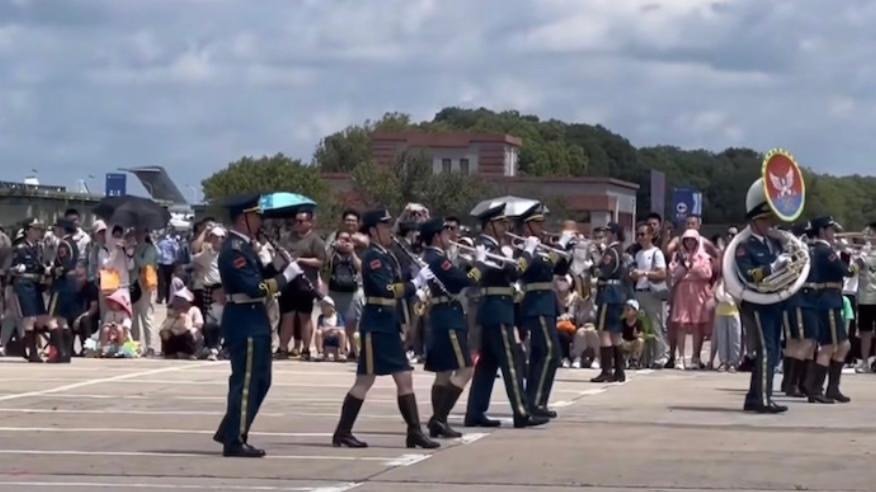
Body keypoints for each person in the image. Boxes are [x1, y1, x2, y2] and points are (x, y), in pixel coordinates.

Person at [331, 208, 438, 449]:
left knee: (388, 379)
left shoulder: (387, 255)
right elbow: (385, 290)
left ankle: (411, 432)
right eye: (385, 226)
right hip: (377, 323)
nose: (389, 230)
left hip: (387, 321)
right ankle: (346, 431)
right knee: (376, 380)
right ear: (373, 231)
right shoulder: (373, 257)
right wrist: (415, 284)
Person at [213, 194, 304, 458]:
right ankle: (235, 439)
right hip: (244, 318)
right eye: (257, 216)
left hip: (254, 318)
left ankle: (230, 429)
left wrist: (275, 263)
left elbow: (261, 276)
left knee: (262, 380)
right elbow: (254, 288)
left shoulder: (247, 247)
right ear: (244, 218)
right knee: (247, 381)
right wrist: (285, 277)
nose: (260, 221)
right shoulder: (233, 249)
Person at [464, 204, 548, 428]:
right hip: (496, 310)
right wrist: (528, 252)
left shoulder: (496, 246)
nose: (506, 227)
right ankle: (521, 412)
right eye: (501, 223)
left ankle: (475, 411)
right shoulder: (485, 246)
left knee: (487, 365)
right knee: (511, 363)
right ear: (489, 225)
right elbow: (514, 271)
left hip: (498, 308)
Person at [419, 218, 484, 438]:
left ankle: (438, 420)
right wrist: (478, 265)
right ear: (437, 236)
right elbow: (461, 281)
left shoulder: (433, 257)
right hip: (448, 316)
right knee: (465, 369)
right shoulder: (437, 259)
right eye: (447, 233)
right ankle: (439, 418)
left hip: (440, 315)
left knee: (444, 373)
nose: (451, 237)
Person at [734, 178, 789, 414]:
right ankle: (763, 399)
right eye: (767, 220)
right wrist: (773, 267)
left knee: (773, 350)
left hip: (773, 302)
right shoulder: (745, 246)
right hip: (757, 302)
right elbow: (749, 274)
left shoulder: (772, 244)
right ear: (756, 221)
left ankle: (755, 396)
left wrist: (786, 250)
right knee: (767, 350)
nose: (771, 224)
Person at [517, 204, 570, 419]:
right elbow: (543, 266)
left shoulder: (540, 245)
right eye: (537, 223)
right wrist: (559, 246)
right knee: (550, 352)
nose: (542, 227)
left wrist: (565, 250)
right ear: (527, 225)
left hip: (546, 303)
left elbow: (559, 270)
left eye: (542, 222)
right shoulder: (523, 246)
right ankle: (535, 401)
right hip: (535, 303)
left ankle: (538, 401)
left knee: (543, 353)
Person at [806, 216, 853, 404]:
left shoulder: (823, 250)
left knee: (843, 345)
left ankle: (832, 388)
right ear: (822, 231)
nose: (834, 233)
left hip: (830, 299)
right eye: (831, 230)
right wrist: (851, 258)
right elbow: (846, 271)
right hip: (827, 300)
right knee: (829, 346)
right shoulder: (824, 251)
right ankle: (816, 389)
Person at [277, 208, 326, 360]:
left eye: (301, 221)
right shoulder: (286, 238)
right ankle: (283, 348)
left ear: (310, 222)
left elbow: (321, 261)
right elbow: (279, 255)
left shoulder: (316, 240)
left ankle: (305, 349)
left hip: (305, 283)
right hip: (288, 282)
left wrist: (301, 260)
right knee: (287, 316)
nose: (297, 224)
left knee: (304, 317)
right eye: (295, 220)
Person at [590, 223, 630, 383]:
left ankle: (607, 370)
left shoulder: (611, 250)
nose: (605, 235)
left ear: (613, 233)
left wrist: (592, 267)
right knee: (615, 333)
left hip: (609, 294)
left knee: (604, 331)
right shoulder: (619, 249)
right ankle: (619, 371)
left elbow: (604, 271)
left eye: (607, 232)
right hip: (618, 293)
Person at [669, 229, 714, 370]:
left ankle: (696, 357)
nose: (689, 242)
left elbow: (707, 273)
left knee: (697, 325)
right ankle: (680, 357)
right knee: (681, 324)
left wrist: (692, 267)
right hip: (683, 291)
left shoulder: (703, 256)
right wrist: (683, 267)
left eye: (692, 240)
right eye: (686, 240)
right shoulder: (678, 256)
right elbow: (673, 273)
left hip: (698, 291)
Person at [630, 222, 669, 368]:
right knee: (642, 327)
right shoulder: (638, 254)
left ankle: (661, 357)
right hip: (638, 292)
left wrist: (645, 273)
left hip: (651, 293)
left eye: (643, 234)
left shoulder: (656, 253)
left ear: (651, 235)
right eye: (638, 234)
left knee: (655, 325)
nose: (640, 237)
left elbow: (662, 273)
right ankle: (645, 357)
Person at [10, 218, 49, 363]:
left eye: (39, 229)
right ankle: (32, 351)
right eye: (35, 229)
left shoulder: (39, 247)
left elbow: (40, 264)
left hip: (37, 283)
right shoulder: (19, 248)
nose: (38, 232)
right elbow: (10, 268)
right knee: (29, 318)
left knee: (40, 318)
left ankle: (24, 346)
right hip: (24, 283)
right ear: (27, 231)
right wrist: (18, 268)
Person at [46, 219, 81, 363]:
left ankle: (60, 352)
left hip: (61, 285)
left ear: (62, 229)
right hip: (70, 285)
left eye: (57, 228)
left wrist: (50, 270)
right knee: (63, 320)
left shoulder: (64, 244)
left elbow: (63, 266)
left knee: (52, 318)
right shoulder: (74, 244)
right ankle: (66, 353)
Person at [131, 228, 158, 356]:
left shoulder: (150, 248)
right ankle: (136, 345)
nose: (137, 234)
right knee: (133, 317)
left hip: (145, 286)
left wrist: (134, 253)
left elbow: (144, 263)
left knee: (146, 316)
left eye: (140, 231)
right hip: (133, 285)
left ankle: (150, 346)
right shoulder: (132, 247)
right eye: (136, 231)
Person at [160, 287, 204, 359]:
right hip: (175, 334)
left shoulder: (194, 310)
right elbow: (165, 326)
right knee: (165, 332)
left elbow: (199, 324)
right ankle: (170, 352)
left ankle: (189, 353)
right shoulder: (173, 312)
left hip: (189, 334)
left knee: (188, 334)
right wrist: (174, 318)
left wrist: (188, 321)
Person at [855, 224, 876, 373]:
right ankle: (864, 362)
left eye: (870, 233)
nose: (867, 237)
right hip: (865, 297)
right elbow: (854, 268)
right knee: (865, 332)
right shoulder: (863, 252)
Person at [99, 289, 135, 358]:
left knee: (119, 329)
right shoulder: (109, 313)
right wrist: (109, 325)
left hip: (122, 332)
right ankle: (104, 350)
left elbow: (126, 324)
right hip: (111, 331)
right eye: (112, 302)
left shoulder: (124, 313)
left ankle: (121, 349)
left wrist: (120, 326)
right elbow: (106, 322)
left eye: (115, 302)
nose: (113, 304)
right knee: (105, 329)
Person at [315, 297, 346, 362]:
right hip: (325, 338)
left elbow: (342, 327)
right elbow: (319, 328)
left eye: (324, 306)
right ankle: (320, 353)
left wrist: (331, 329)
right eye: (321, 306)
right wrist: (328, 330)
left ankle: (342, 353)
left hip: (335, 338)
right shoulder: (321, 317)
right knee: (318, 332)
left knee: (342, 333)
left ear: (330, 307)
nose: (322, 308)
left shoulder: (337, 316)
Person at [156, 233, 180, 304]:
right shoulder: (173, 242)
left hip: (161, 263)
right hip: (170, 263)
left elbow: (158, 252)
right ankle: (167, 298)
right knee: (168, 282)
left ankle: (160, 298)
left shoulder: (160, 242)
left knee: (161, 282)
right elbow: (176, 252)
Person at [621, 299, 645, 368]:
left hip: (633, 343)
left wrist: (637, 335)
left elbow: (642, 334)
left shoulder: (638, 322)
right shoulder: (622, 322)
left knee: (640, 340)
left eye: (628, 310)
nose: (626, 312)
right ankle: (621, 360)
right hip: (624, 342)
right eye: (625, 310)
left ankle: (634, 360)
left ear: (635, 312)